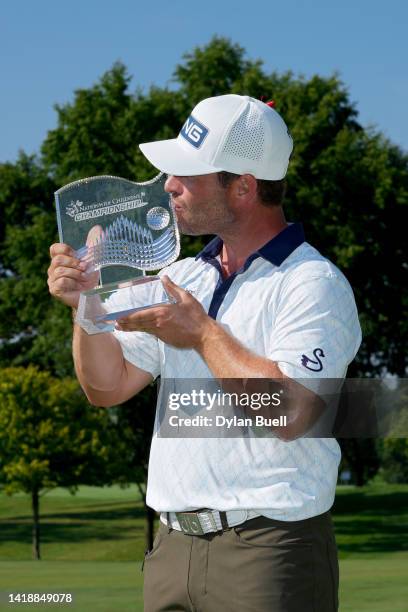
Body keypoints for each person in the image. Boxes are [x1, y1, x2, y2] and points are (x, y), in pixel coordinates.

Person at [48, 94, 362, 612]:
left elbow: (292, 413)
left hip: (268, 549)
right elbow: (107, 386)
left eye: (187, 173)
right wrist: (87, 306)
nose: (168, 185)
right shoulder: (185, 276)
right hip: (171, 548)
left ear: (243, 187)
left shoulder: (314, 283)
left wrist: (201, 334)